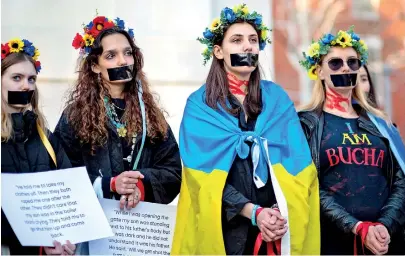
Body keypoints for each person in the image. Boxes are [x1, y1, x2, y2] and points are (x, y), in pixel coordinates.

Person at [171, 4, 320, 255]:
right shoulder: (199, 105)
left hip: (276, 230)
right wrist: (252, 212)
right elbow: (202, 179)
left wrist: (276, 212)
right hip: (227, 231)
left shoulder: (278, 100)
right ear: (218, 51)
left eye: (253, 40)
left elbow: (298, 166)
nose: (247, 46)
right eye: (237, 40)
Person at [53, 15, 182, 253]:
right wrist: (109, 184)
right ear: (94, 65)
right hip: (94, 234)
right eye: (111, 56)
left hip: (140, 232)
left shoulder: (150, 114)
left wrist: (140, 186)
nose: (123, 61)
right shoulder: (75, 115)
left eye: (128, 53)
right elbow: (61, 176)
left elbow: (173, 171)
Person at [298, 26, 405, 255]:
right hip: (332, 243)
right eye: (335, 63)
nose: (345, 67)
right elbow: (308, 186)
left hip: (384, 242)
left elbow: (400, 180)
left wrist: (385, 225)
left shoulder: (381, 125)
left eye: (352, 62)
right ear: (319, 71)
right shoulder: (304, 124)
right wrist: (356, 227)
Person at [1, 38, 75, 255]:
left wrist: (62, 242)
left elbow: (68, 196)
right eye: (17, 78)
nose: (26, 85)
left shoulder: (46, 137)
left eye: (31, 79)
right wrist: (39, 244)